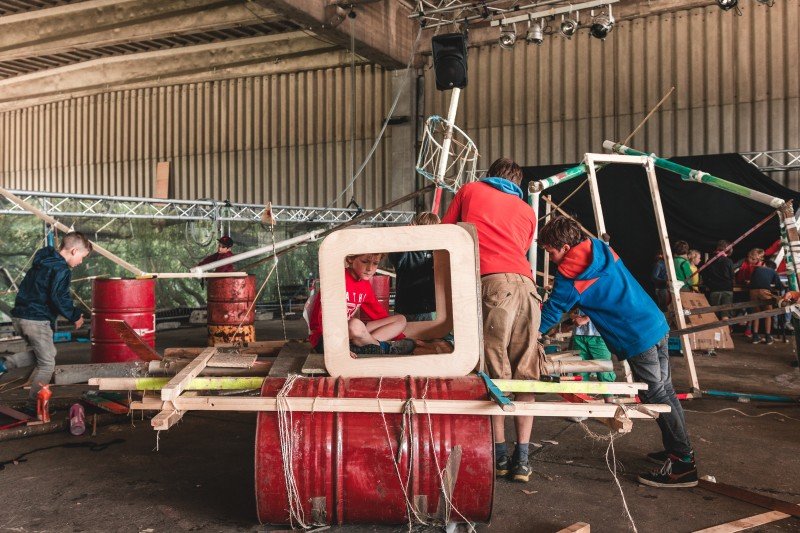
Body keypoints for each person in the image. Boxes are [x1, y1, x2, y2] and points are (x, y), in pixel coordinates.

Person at [537, 216, 697, 488]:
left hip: (636, 335)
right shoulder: (600, 248)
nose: (551, 259)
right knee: (665, 390)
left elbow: (552, 311)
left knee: (655, 395)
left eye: (551, 252)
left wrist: (531, 333)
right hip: (655, 322)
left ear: (564, 247)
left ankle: (683, 463)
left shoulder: (569, 274)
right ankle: (677, 447)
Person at [442, 157, 540, 483]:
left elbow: (446, 234)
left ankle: (499, 456)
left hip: (493, 285)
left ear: (489, 176)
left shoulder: (470, 190)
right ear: (518, 183)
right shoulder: (527, 210)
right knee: (526, 372)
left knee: (493, 371)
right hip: (528, 287)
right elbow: (521, 248)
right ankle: (522, 459)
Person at [0, 232, 92, 415]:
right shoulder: (61, 269)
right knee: (47, 365)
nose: (81, 262)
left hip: (20, 317)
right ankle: (34, 406)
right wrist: (75, 316)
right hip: (36, 320)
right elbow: (59, 297)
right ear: (74, 251)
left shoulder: (43, 261)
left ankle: (4, 364)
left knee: (46, 355)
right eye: (82, 257)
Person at [306, 253, 416, 356]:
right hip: (326, 337)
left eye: (375, 263)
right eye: (364, 262)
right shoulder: (337, 279)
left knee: (401, 320)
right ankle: (384, 348)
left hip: (349, 333)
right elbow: (324, 319)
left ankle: (363, 345)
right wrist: (339, 347)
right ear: (350, 259)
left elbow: (378, 314)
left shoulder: (364, 284)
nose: (370, 268)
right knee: (355, 324)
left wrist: (400, 337)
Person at [389, 212, 440, 322]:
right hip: (405, 309)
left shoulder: (437, 252)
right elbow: (395, 257)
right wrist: (407, 236)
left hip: (430, 309)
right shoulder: (406, 250)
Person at [569, 309, 616, 383]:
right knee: (580, 373)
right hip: (578, 334)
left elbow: (606, 305)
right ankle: (582, 391)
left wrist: (586, 318)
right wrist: (573, 315)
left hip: (599, 335)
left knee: (604, 372)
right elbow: (570, 308)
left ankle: (609, 391)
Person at [749, 259, 784, 345]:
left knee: (756, 313)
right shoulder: (773, 271)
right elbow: (779, 286)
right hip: (764, 291)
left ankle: (755, 337)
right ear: (774, 268)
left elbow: (751, 280)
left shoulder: (757, 269)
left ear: (765, 264)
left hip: (752, 291)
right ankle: (768, 337)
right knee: (768, 313)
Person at [703, 240, 735, 319]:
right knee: (725, 314)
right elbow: (732, 276)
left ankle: (715, 327)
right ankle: (725, 327)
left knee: (714, 314)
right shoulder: (728, 261)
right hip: (727, 289)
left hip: (714, 289)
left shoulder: (710, 260)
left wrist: (708, 285)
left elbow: (704, 275)